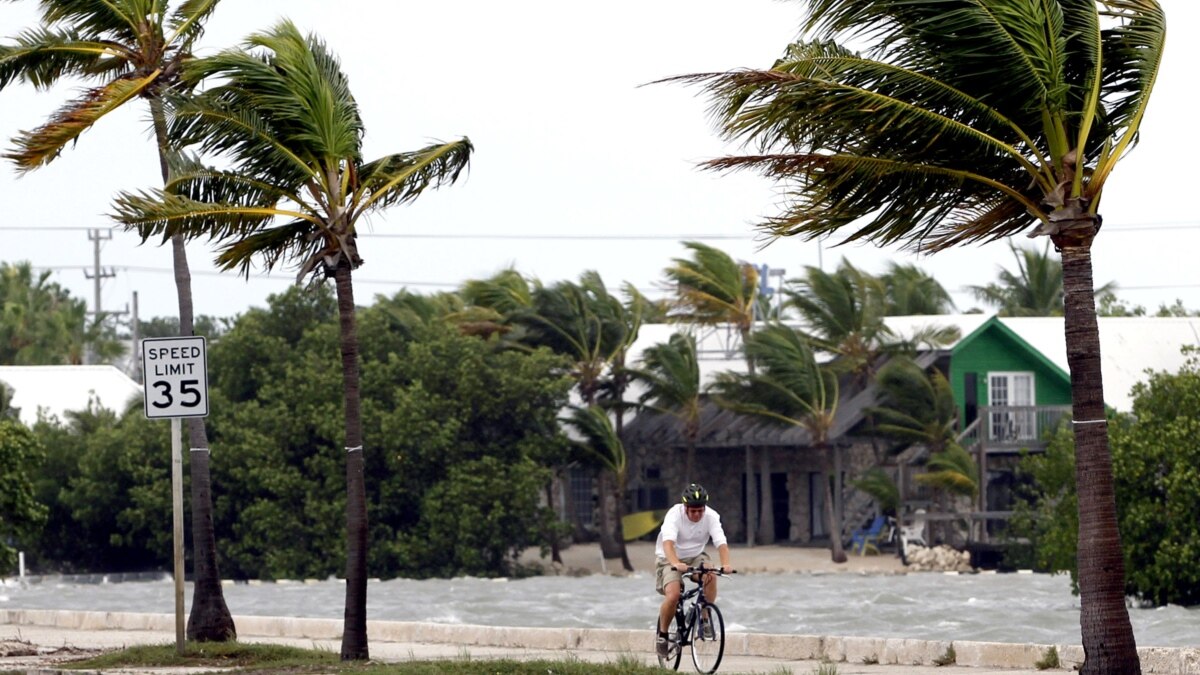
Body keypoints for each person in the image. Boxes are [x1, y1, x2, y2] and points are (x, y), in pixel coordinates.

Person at [655, 482, 733, 658]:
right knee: (673, 595)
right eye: (693, 511)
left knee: (711, 574)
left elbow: (721, 542)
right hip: (669, 557)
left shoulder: (712, 516)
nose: (697, 514)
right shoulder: (674, 515)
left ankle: (705, 618)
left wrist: (726, 563)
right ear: (685, 508)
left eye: (700, 510)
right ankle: (663, 635)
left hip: (696, 555)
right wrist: (675, 563)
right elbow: (668, 544)